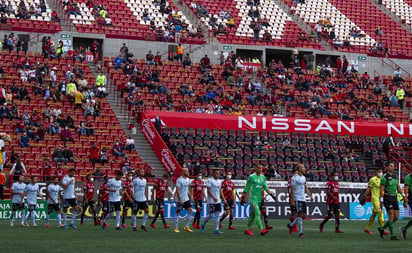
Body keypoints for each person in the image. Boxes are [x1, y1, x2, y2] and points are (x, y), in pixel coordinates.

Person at [241, 165, 275, 235]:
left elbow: (265, 187)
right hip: (252, 199)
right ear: (256, 169)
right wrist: (243, 198)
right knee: (258, 213)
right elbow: (246, 188)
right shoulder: (251, 177)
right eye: (259, 168)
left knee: (253, 215)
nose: (260, 169)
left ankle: (247, 229)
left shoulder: (263, 177)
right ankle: (262, 229)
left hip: (259, 199)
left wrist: (271, 195)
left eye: (261, 168)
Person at [378, 162, 405, 240]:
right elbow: (381, 189)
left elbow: (398, 188)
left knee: (396, 217)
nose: (392, 167)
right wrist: (381, 200)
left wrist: (403, 196)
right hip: (387, 197)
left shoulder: (395, 176)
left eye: (393, 166)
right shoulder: (384, 177)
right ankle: (392, 235)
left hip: (394, 198)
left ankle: (382, 229)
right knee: (391, 215)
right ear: (387, 167)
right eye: (391, 166)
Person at [287, 164, 313, 237]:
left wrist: (310, 196)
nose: (304, 168)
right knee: (300, 214)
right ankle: (300, 233)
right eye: (303, 167)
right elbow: (292, 189)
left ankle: (291, 225)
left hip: (303, 198)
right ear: (299, 169)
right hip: (297, 198)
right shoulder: (294, 178)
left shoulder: (304, 177)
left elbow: (306, 188)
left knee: (304, 216)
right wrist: (292, 200)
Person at [363, 168, 390, 235]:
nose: (381, 173)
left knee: (374, 215)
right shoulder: (372, 179)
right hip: (374, 198)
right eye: (379, 171)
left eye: (381, 171)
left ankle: (367, 228)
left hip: (380, 198)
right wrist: (364, 196)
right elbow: (368, 189)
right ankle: (382, 229)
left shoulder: (383, 179)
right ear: (376, 172)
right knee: (380, 212)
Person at [200, 168, 225, 235]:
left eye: (218, 173)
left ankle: (216, 229)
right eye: (216, 173)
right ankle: (203, 224)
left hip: (218, 201)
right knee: (211, 215)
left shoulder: (219, 181)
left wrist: (223, 198)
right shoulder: (210, 180)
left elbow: (220, 191)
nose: (218, 174)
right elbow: (208, 190)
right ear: (213, 174)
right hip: (211, 201)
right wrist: (213, 197)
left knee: (217, 215)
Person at [173, 167, 194, 233]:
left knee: (190, 210)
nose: (188, 172)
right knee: (178, 212)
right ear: (183, 172)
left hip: (186, 199)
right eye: (187, 171)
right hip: (180, 200)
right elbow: (177, 190)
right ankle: (176, 228)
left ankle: (186, 226)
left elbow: (187, 189)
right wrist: (180, 199)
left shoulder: (188, 179)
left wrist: (191, 196)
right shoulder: (179, 180)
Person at [400, 171, 412, 239]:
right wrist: (405, 200)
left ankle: (404, 229)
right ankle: (404, 229)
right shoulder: (408, 177)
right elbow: (406, 189)